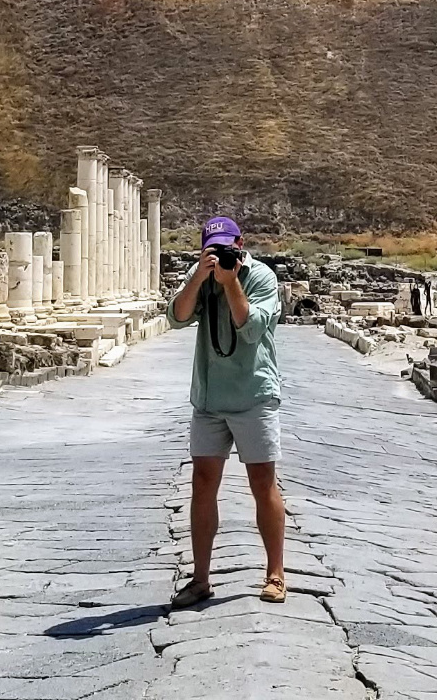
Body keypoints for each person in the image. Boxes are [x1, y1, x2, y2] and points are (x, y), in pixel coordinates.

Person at [166, 216, 284, 607]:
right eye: (213, 249)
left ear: (241, 242)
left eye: (227, 247)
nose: (221, 255)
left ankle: (275, 574)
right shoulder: (199, 274)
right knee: (202, 483)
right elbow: (178, 317)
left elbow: (249, 328)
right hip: (210, 396)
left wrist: (230, 282)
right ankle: (200, 578)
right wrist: (199, 280)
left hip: (253, 395)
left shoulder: (261, 277)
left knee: (262, 483)